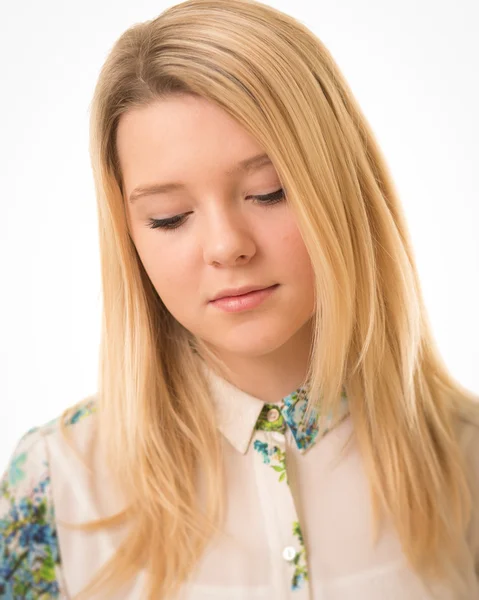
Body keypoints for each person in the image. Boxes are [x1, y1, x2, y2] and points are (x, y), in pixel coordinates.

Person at [1, 0, 479, 598]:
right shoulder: (56, 481)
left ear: (342, 187)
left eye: (269, 191)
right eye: (170, 218)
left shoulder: (468, 460)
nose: (227, 247)